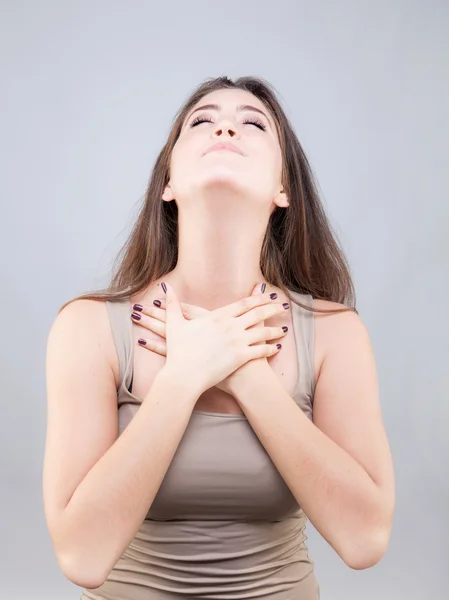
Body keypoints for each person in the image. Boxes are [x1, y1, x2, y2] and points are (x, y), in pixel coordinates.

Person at [43, 76, 395, 599]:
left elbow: (364, 540)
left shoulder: (334, 334)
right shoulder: (89, 328)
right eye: (201, 121)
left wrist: (243, 372)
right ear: (168, 182)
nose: (226, 125)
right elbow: (82, 555)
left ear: (284, 189)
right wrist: (182, 378)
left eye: (253, 123)